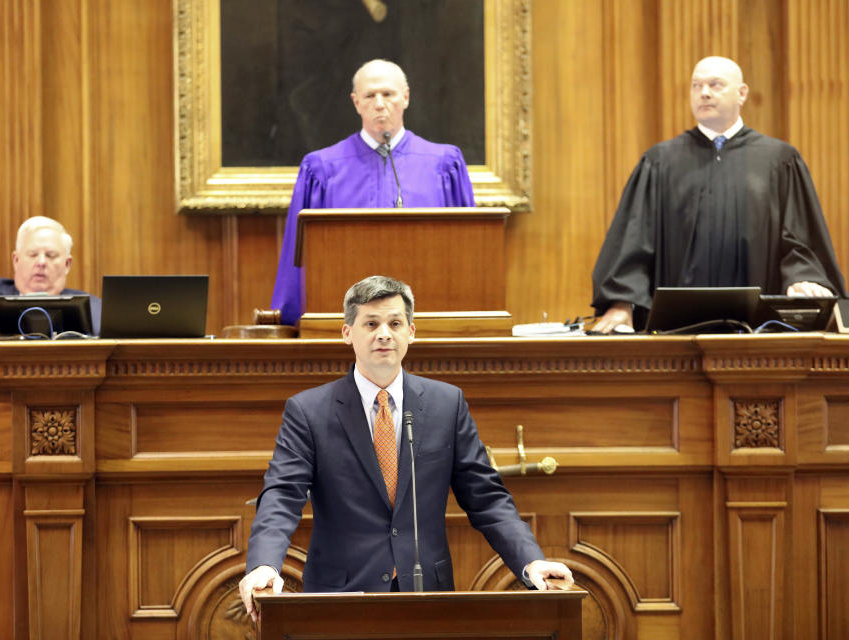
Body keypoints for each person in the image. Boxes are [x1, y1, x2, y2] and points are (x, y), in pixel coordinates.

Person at [239, 275, 572, 622]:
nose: (384, 333)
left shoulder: (447, 404)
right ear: (347, 333)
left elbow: (486, 498)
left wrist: (530, 560)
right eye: (371, 323)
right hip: (339, 597)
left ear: (410, 332)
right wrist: (264, 564)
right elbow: (281, 495)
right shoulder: (309, 411)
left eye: (395, 323)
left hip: (427, 593)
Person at [591, 56, 847, 333]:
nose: (704, 93)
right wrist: (622, 302)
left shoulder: (778, 160)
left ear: (742, 93)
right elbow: (635, 239)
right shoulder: (660, 162)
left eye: (715, 85)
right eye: (696, 85)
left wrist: (803, 277)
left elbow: (798, 235)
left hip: (761, 332)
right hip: (675, 331)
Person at [270, 59, 476, 326]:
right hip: (345, 325)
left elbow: (469, 249)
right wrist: (291, 322)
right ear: (356, 102)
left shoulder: (443, 164)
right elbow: (297, 260)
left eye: (388, 94)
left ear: (406, 97)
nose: (379, 103)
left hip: (430, 321)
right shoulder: (321, 170)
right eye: (370, 95)